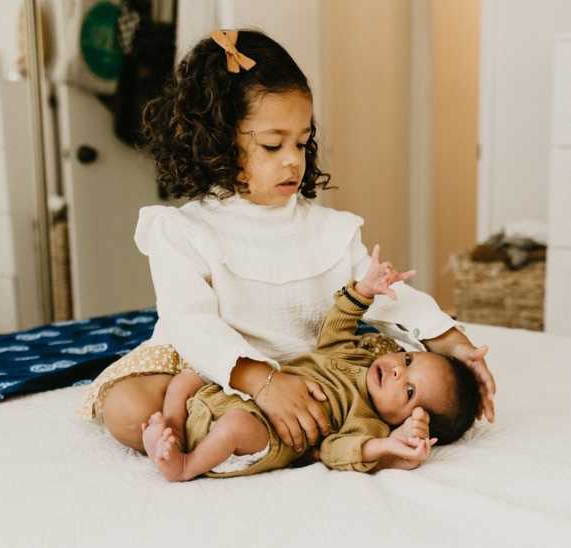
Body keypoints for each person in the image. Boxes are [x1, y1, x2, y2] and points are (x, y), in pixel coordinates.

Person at [82, 29, 496, 457]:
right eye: (273, 144)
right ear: (218, 141)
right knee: (127, 410)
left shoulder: (330, 230)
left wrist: (452, 343)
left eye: (301, 142)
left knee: (416, 385)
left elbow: (386, 297)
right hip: (212, 366)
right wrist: (262, 382)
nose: (293, 160)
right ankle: (253, 425)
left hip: (314, 371)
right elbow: (192, 326)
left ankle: (273, 431)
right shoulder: (181, 230)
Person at [140, 246, 481, 480]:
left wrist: (388, 446)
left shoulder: (367, 422)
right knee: (190, 374)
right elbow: (337, 326)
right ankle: (169, 428)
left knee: (235, 426)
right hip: (248, 395)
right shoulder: (355, 355)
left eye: (407, 389)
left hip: (266, 435)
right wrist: (363, 291)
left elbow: (338, 451)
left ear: (409, 420)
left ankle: (184, 466)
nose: (396, 370)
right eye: (407, 359)